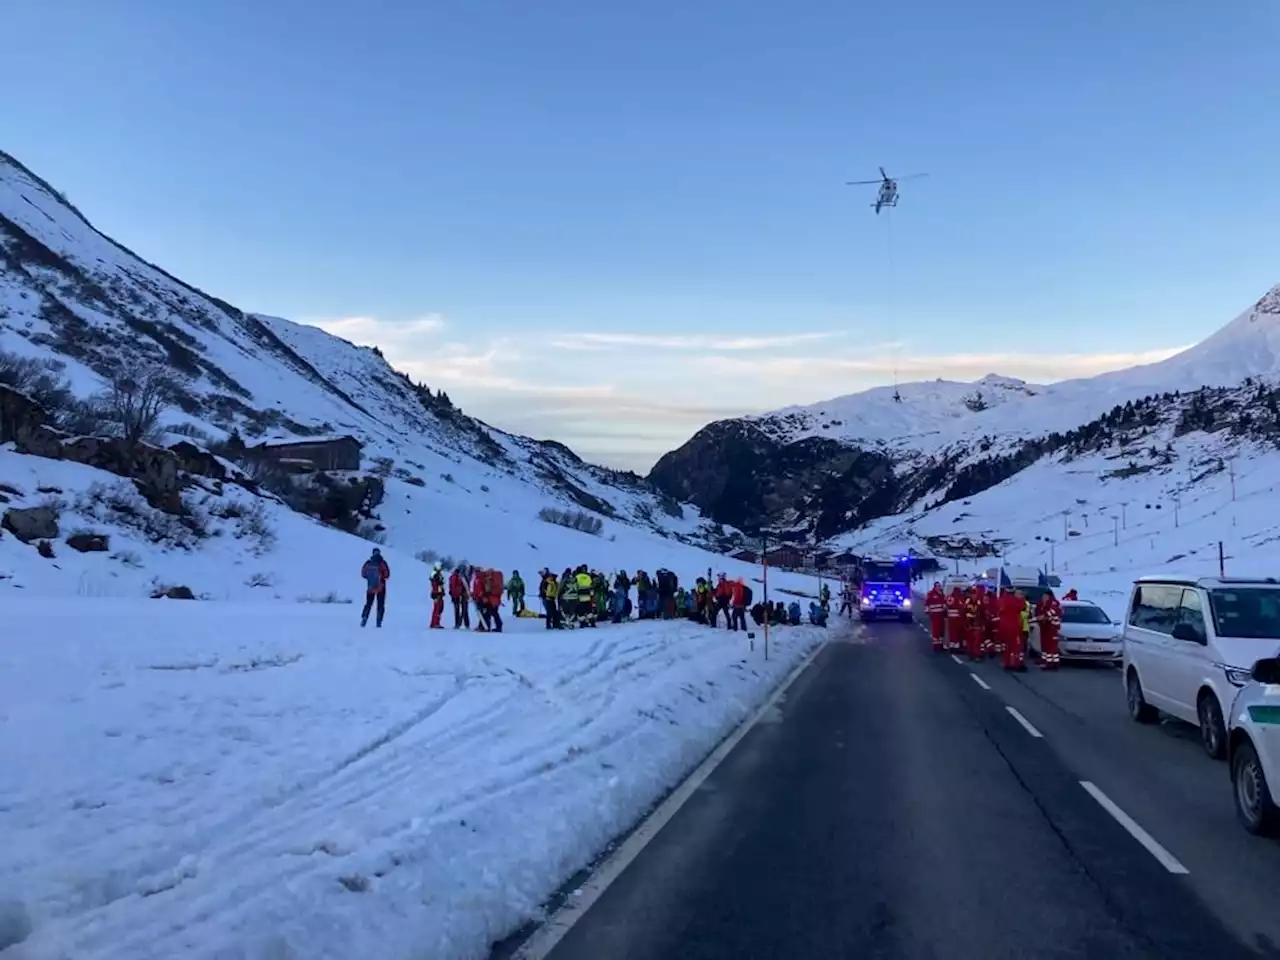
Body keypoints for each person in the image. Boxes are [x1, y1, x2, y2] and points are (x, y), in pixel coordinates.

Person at [360, 548, 390, 628]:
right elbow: (387, 575)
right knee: (380, 605)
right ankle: (379, 621)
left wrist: (370, 577)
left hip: (370, 587)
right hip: (381, 587)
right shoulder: (382, 563)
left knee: (368, 604)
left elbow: (363, 574)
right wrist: (381, 576)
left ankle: (364, 618)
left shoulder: (368, 563)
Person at [999, 587, 1026, 671]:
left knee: (1007, 646)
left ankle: (1007, 663)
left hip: (1003, 626)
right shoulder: (1015, 600)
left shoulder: (1002, 600)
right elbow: (1021, 607)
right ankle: (1015, 664)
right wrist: (1021, 599)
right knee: (1016, 647)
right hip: (1014, 626)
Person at [1036, 589, 1062, 670]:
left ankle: (1051, 664)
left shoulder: (1053, 603)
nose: (1043, 597)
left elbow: (1051, 612)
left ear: (1049, 596)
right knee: (1046, 645)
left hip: (1052, 628)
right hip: (1046, 628)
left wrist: (1043, 616)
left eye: (1045, 596)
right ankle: (1046, 660)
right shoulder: (1045, 603)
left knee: (1051, 647)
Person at [925, 581, 946, 651]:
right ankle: (936, 646)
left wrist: (945, 610)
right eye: (937, 586)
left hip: (941, 615)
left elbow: (944, 603)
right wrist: (927, 612)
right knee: (936, 630)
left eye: (939, 586)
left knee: (941, 630)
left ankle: (940, 645)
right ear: (934, 587)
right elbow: (927, 603)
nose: (938, 587)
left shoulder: (942, 594)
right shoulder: (930, 594)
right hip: (934, 615)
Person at [944, 586, 965, 652]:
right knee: (957, 633)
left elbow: (945, 606)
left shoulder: (948, 597)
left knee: (952, 633)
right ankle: (956, 648)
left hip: (950, 618)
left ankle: (952, 647)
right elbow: (961, 608)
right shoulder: (958, 597)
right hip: (957, 618)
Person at [429, 561, 445, 629]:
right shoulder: (435, 573)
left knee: (439, 609)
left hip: (439, 593)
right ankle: (434, 623)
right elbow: (435, 584)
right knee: (437, 609)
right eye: (440, 567)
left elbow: (440, 584)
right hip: (437, 594)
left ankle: (437, 622)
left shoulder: (438, 574)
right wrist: (437, 593)